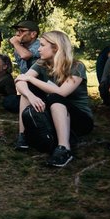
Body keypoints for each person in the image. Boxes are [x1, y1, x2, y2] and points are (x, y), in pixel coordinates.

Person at [13, 30, 93, 167]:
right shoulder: (42, 62)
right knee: (27, 90)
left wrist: (30, 78)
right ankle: (23, 136)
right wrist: (31, 96)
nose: (38, 49)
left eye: (42, 45)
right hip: (54, 113)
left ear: (55, 48)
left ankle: (64, 148)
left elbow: (61, 93)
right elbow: (20, 81)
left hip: (80, 120)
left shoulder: (76, 66)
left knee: (55, 98)